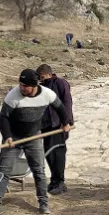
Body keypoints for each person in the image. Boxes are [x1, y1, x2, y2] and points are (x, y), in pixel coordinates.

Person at [0, 69, 73, 215]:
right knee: (4, 172)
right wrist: (7, 136)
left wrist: (65, 122)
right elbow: (3, 118)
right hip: (13, 138)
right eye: (20, 84)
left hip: (33, 137)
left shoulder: (47, 94)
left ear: (34, 86)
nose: (22, 88)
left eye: (25, 86)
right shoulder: (13, 95)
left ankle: (43, 204)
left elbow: (60, 107)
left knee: (39, 171)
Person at [37, 64, 73, 195]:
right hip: (46, 126)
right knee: (49, 154)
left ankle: (60, 182)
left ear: (48, 74)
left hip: (59, 125)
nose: (40, 79)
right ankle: (54, 180)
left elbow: (67, 102)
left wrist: (66, 122)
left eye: (42, 77)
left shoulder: (61, 83)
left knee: (58, 154)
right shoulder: (41, 87)